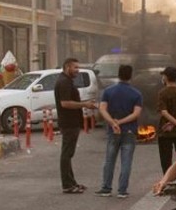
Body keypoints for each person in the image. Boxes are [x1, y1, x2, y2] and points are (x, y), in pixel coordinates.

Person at [97, 65, 144, 198]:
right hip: (129, 131)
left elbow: (102, 109)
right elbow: (136, 114)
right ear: (131, 75)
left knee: (109, 160)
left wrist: (113, 122)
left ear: (118, 75)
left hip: (113, 131)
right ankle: (122, 190)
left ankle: (106, 188)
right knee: (126, 161)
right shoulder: (136, 93)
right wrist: (122, 122)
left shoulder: (108, 91)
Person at [54, 58, 97, 194]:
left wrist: (85, 102)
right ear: (67, 67)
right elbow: (65, 103)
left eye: (78, 68)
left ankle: (72, 182)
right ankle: (67, 185)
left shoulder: (67, 81)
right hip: (68, 122)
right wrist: (84, 104)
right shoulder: (64, 82)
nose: (77, 71)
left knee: (69, 153)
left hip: (72, 122)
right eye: (75, 68)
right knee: (66, 154)